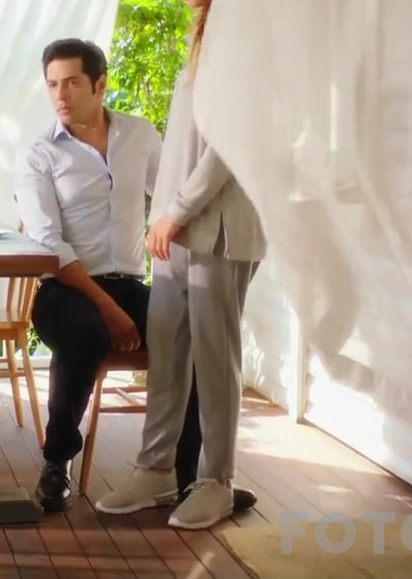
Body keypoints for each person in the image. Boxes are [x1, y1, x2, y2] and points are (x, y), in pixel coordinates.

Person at [15, 37, 257, 513]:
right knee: (84, 335)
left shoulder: (140, 135)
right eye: (52, 85)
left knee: (188, 335)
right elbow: (49, 247)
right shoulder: (38, 154)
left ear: (99, 84)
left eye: (71, 83)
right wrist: (109, 311)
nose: (60, 95)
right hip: (63, 288)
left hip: (127, 284)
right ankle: (56, 462)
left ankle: (191, 478)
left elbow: (169, 197)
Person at [93, 0, 266, 530]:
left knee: (216, 362)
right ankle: (156, 468)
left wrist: (177, 212)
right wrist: (163, 215)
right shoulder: (205, 31)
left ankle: (216, 479)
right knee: (166, 349)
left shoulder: (245, 37)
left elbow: (229, 145)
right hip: (177, 225)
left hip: (219, 227)